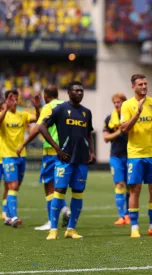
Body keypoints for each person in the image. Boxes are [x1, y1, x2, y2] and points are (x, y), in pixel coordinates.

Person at [39, 81, 95, 240]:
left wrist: (92, 151)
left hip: (82, 160)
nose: (80, 93)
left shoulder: (87, 112)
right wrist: (57, 148)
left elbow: (89, 133)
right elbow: (42, 127)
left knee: (78, 194)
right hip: (64, 159)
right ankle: (53, 230)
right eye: (76, 90)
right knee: (59, 192)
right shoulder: (61, 109)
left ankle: (71, 229)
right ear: (69, 93)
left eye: (81, 90)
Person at [119, 74, 152, 238]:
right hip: (135, 154)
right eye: (140, 84)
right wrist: (137, 113)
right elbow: (124, 128)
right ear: (133, 87)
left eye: (146, 83)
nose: (144, 86)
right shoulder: (127, 105)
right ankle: (134, 226)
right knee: (135, 189)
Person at [17, 85, 70, 231]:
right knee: (58, 184)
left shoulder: (48, 106)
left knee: (49, 186)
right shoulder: (66, 106)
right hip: (65, 152)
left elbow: (38, 127)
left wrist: (23, 144)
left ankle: (51, 221)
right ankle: (64, 208)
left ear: (46, 95)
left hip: (51, 152)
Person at [0, 90, 41, 227]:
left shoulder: (23, 114)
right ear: (6, 101)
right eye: (11, 99)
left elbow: (37, 119)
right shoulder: (2, 115)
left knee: (15, 188)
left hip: (22, 156)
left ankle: (7, 216)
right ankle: (14, 217)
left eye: (16, 99)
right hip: (8, 156)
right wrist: (6, 108)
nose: (14, 102)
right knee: (13, 185)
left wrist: (37, 108)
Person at [103, 93, 130, 225]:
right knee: (119, 184)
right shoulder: (109, 118)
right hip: (116, 156)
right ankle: (121, 216)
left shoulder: (130, 116)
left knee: (131, 185)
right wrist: (120, 131)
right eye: (115, 102)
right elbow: (106, 137)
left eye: (119, 102)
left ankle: (128, 214)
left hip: (131, 155)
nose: (116, 104)